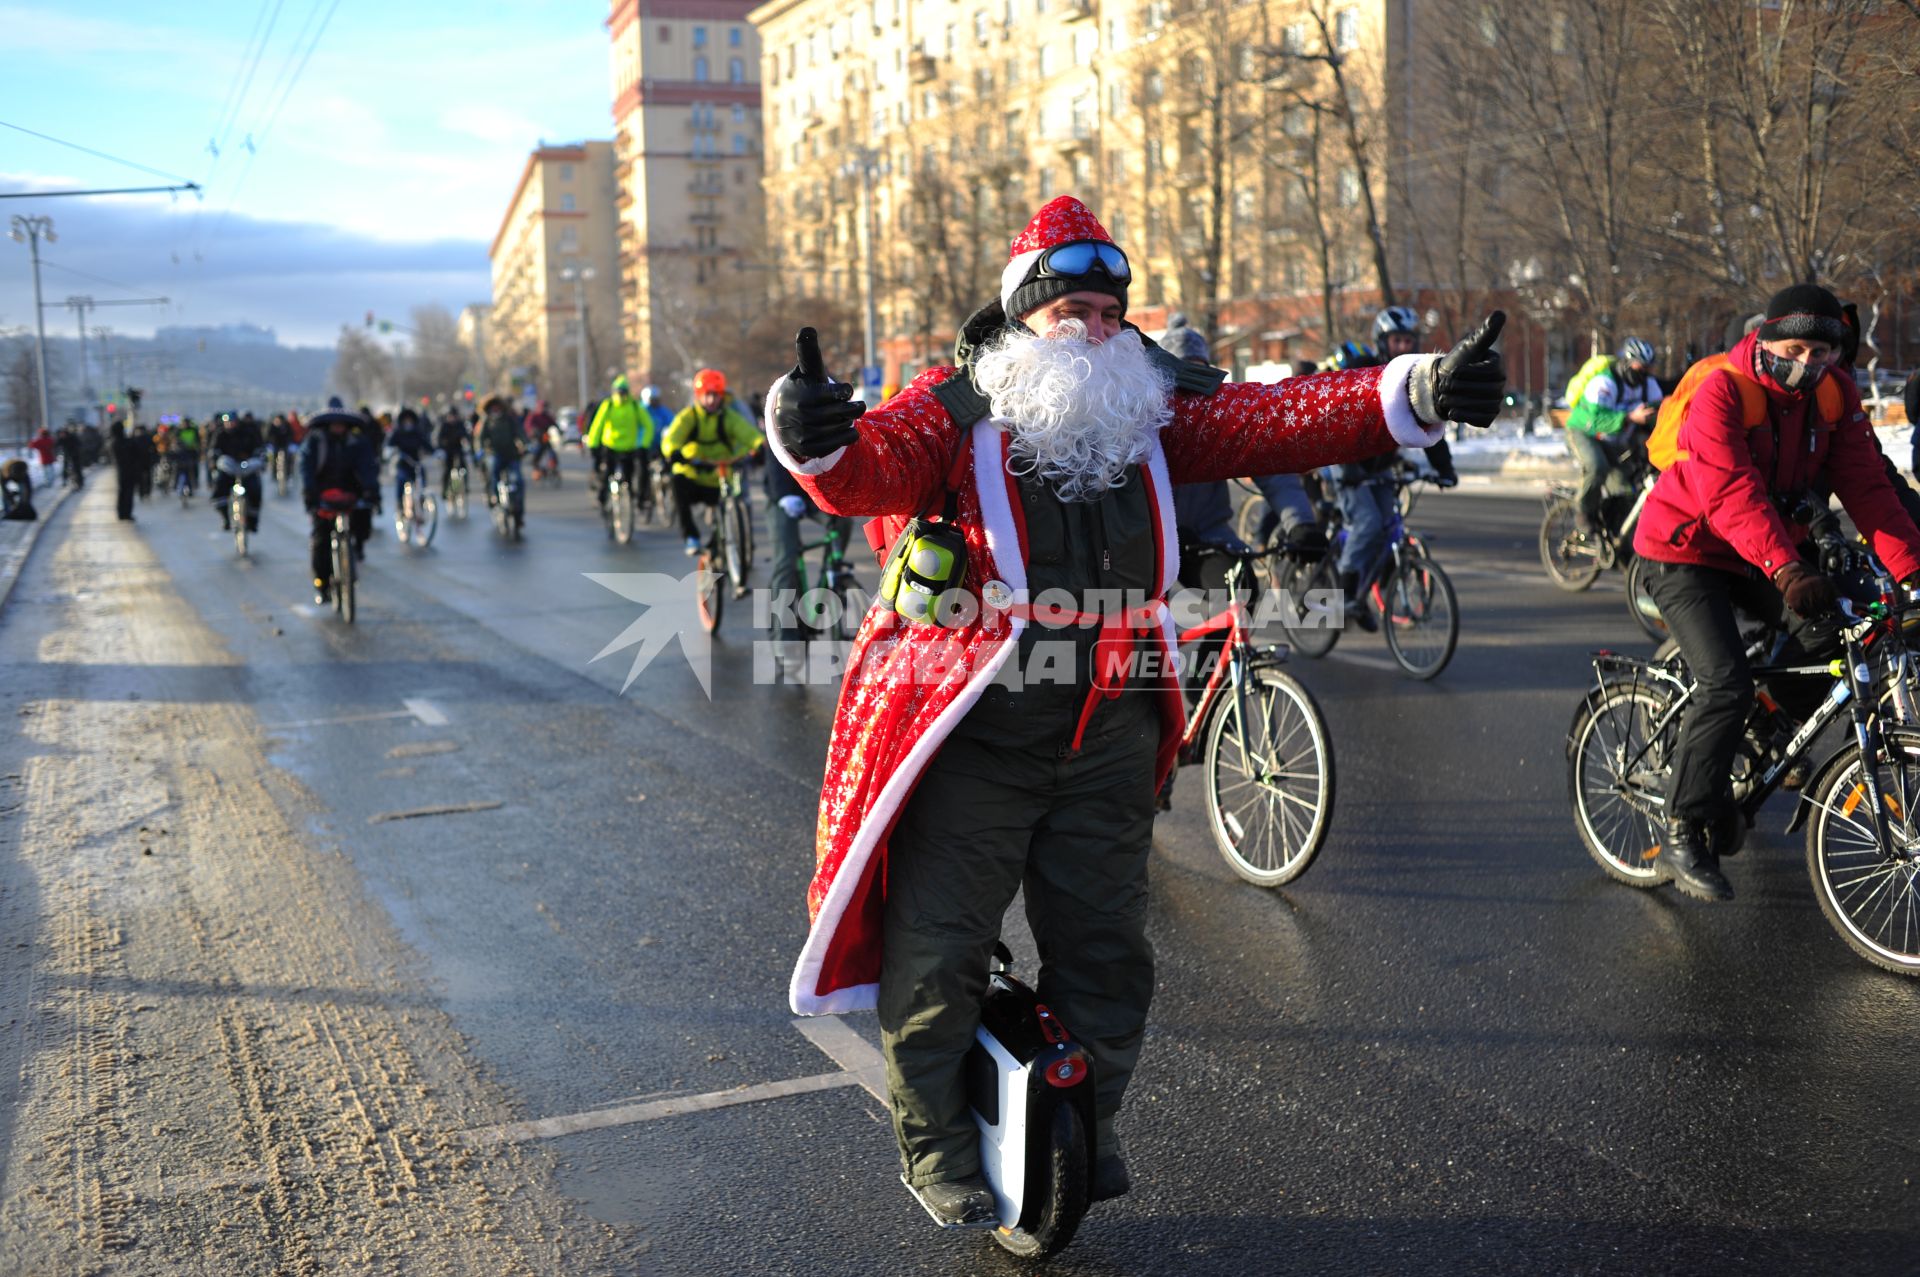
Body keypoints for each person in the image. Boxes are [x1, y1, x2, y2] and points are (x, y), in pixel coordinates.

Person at [767, 195, 1505, 1227]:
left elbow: (1281, 415)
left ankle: (1087, 1126)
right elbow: (868, 464)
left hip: (1110, 729)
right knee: (937, 948)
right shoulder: (957, 406)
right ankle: (935, 1146)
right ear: (1024, 312)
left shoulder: (1153, 408)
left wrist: (1417, 386)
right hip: (984, 730)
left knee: (1109, 952)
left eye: (1109, 309)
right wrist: (812, 434)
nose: (1092, 325)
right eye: (1068, 304)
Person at [1635, 284, 1920, 903]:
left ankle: (1769, 724)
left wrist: (1912, 573)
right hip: (1690, 549)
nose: (1808, 363)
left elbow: (1867, 486)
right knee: (1724, 683)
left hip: (1770, 549)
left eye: (1821, 352)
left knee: (1837, 640)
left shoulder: (1833, 393)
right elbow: (1730, 491)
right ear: (1764, 338)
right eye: (1795, 347)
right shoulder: (1722, 389)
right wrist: (1788, 570)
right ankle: (1684, 825)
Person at [1320, 309, 1460, 631]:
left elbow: (1430, 424)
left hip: (1381, 467)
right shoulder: (1362, 372)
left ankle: (1362, 595)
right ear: (1382, 342)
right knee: (1368, 524)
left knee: (1387, 528)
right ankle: (1344, 596)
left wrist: (1445, 469)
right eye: (1396, 340)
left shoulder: (1416, 381)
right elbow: (1341, 421)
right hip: (1349, 465)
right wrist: (1350, 466)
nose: (1402, 346)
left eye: (1408, 340)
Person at [1566, 337, 1663, 534]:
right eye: (1640, 368)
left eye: (1648, 369)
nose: (1644, 374)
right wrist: (1629, 417)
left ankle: (1613, 534)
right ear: (1627, 363)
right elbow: (1597, 420)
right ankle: (1583, 512)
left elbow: (1660, 411)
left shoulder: (1648, 385)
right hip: (1585, 432)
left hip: (1614, 441)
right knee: (1597, 466)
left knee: (1625, 487)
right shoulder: (1604, 383)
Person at [662, 369, 763, 556]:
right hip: (693, 475)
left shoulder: (729, 418)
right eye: (706, 396)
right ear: (698, 396)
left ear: (721, 396)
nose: (711, 401)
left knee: (729, 505)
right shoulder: (688, 416)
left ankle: (723, 546)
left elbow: (749, 434)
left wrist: (759, 447)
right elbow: (672, 438)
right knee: (677, 483)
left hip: (720, 478)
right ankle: (691, 537)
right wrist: (673, 452)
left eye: (715, 396)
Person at [299, 402, 378, 604]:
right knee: (321, 542)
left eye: (341, 424)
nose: (338, 428)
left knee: (363, 525)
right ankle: (322, 584)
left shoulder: (358, 443)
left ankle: (355, 552)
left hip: (351, 496)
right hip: (322, 497)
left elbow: (368, 468)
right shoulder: (315, 442)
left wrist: (370, 491)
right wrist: (310, 494)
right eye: (334, 424)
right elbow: (306, 469)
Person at [586, 377, 652, 513]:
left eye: (623, 392)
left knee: (632, 476)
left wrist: (643, 445)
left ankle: (635, 500)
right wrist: (593, 444)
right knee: (606, 476)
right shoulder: (608, 405)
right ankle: (602, 499)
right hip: (610, 447)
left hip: (629, 449)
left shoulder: (634, 406)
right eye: (618, 392)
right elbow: (597, 426)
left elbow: (648, 425)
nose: (621, 395)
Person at [477, 396, 526, 533]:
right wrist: (480, 450)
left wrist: (526, 444)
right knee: (494, 474)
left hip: (511, 455)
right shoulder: (487, 421)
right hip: (495, 454)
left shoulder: (510, 419)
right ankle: (495, 498)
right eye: (493, 408)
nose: (496, 410)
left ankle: (519, 513)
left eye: (498, 407)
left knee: (519, 481)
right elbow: (481, 438)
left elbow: (520, 433)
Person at [210, 411, 265, 532]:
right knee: (219, 488)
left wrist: (259, 458)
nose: (230, 424)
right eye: (227, 422)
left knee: (255, 489)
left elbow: (258, 448)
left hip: (247, 468)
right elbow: (214, 451)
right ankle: (225, 518)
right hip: (228, 468)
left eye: (232, 422)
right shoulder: (220, 434)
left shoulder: (248, 432)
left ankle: (252, 521)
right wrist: (214, 461)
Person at [386, 407, 434, 515]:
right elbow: (389, 445)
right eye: (406, 421)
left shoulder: (417, 433)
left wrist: (435, 452)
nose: (408, 423)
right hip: (402, 464)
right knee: (401, 479)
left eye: (410, 421)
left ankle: (421, 500)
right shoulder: (397, 433)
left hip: (415, 464)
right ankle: (399, 504)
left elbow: (426, 444)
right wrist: (389, 452)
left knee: (422, 475)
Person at [435, 407, 470, 499]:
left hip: (458, 449)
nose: (452, 418)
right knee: (447, 470)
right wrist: (441, 448)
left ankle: (465, 486)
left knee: (463, 467)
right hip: (447, 450)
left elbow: (465, 436)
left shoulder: (460, 425)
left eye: (454, 416)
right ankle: (445, 490)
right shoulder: (444, 426)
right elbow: (439, 439)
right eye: (451, 416)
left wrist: (466, 443)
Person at [110, 422, 140, 522]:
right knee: (128, 493)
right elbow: (136, 453)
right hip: (130, 470)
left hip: (121, 471)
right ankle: (126, 513)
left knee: (122, 492)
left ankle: (121, 513)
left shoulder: (114, 443)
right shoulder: (128, 442)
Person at [172, 418, 200, 496]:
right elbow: (175, 442)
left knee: (193, 470)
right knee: (178, 470)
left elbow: (197, 442)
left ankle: (194, 484)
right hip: (181, 454)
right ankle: (175, 485)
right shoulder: (179, 431)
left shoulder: (193, 430)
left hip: (191, 453)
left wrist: (197, 450)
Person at [57, 425, 85, 489]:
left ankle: (80, 482)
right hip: (67, 455)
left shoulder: (72, 437)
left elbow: (79, 444)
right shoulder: (61, 439)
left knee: (77, 469)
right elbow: (56, 445)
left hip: (75, 455)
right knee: (65, 468)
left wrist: (78, 450)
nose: (62, 435)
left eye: (63, 433)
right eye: (61, 434)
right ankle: (64, 480)